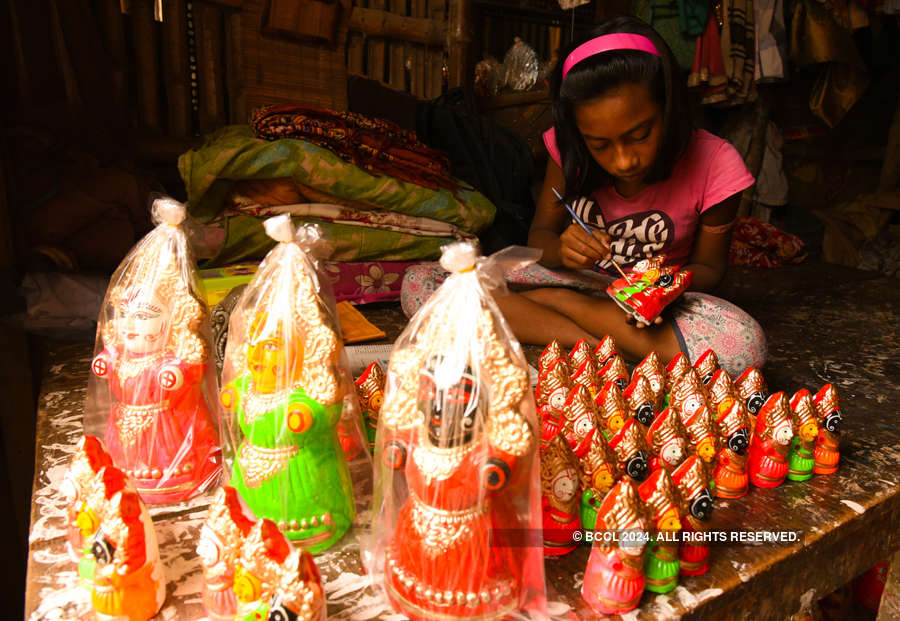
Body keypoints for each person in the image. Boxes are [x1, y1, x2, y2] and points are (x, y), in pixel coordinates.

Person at [402, 15, 766, 376]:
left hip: (654, 304)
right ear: (580, 135)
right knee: (422, 284)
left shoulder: (717, 164)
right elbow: (540, 237)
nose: (624, 161)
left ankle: (550, 308)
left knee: (743, 345)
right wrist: (562, 250)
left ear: (668, 109)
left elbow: (710, 268)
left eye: (639, 135)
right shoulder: (568, 150)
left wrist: (657, 288)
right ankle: (598, 346)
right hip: (580, 281)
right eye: (600, 145)